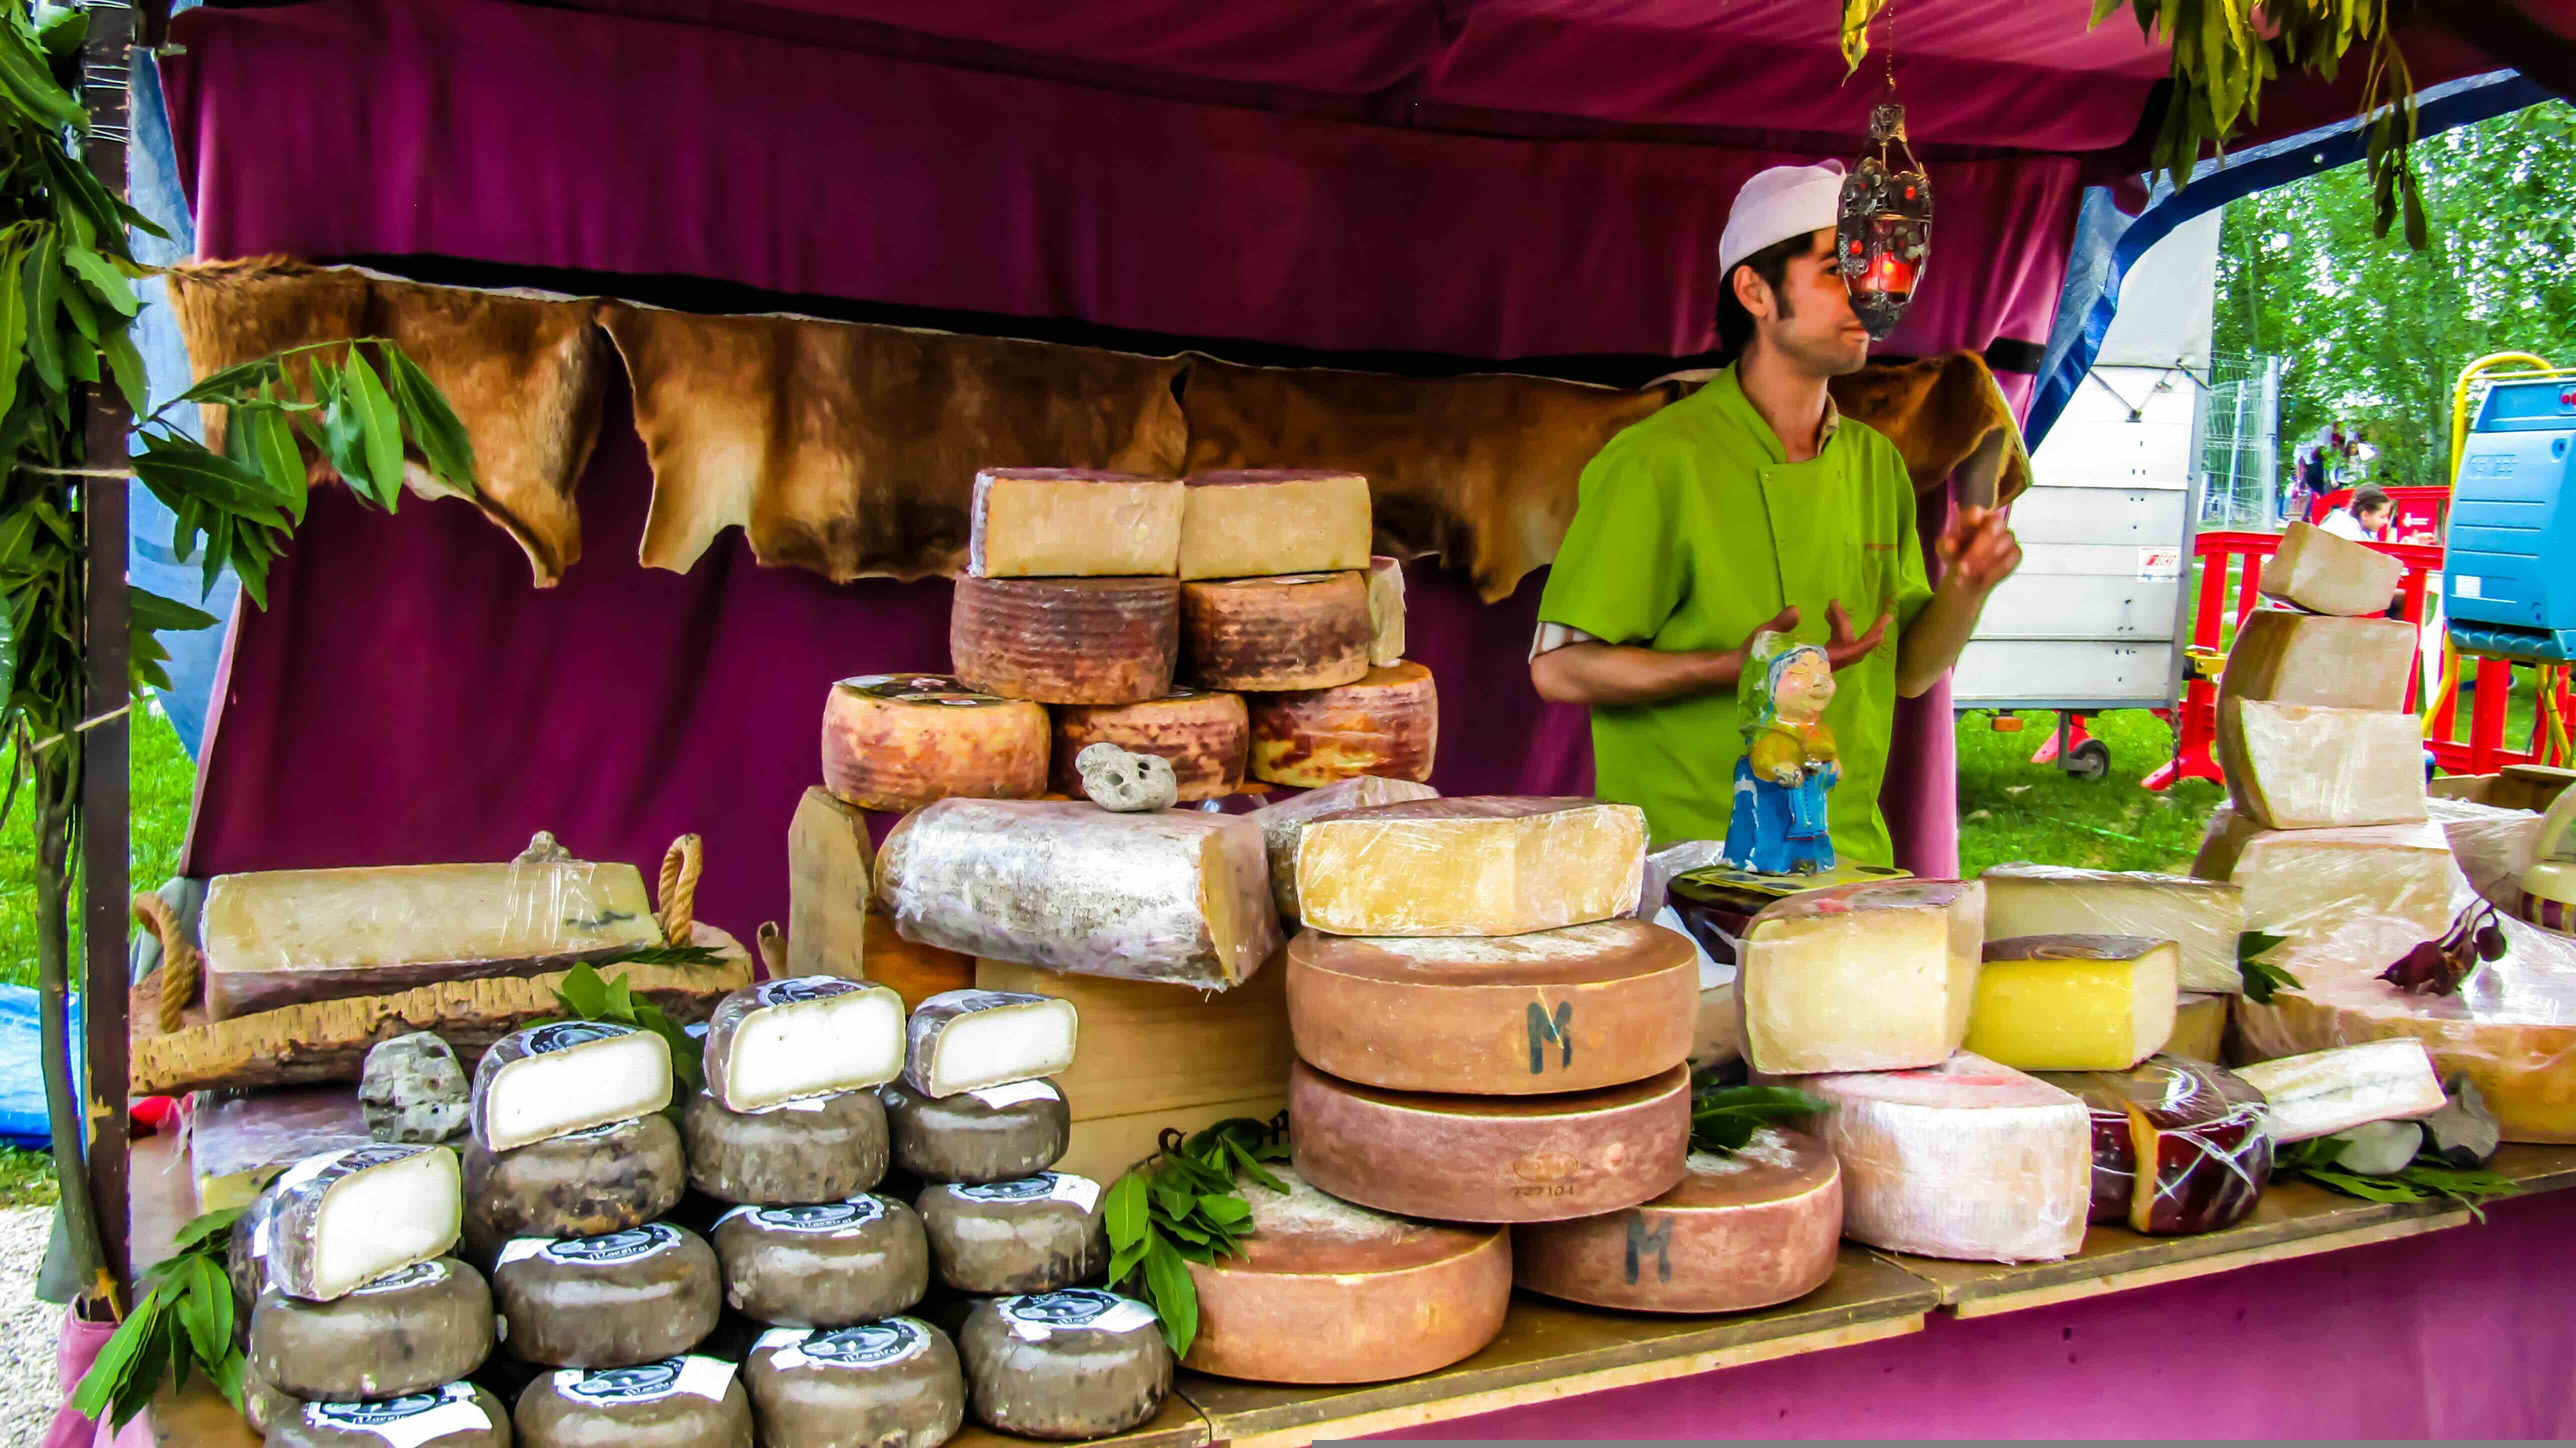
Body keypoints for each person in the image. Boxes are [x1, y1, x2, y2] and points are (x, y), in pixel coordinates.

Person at [1528, 162, 2022, 865]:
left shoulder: (1877, 464)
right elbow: (1560, 670)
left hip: (1846, 860)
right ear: (1755, 291)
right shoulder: (1657, 460)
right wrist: (1731, 666)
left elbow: (1911, 672)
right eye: (1836, 270)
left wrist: (1969, 588)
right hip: (1692, 867)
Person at [2320, 484, 2394, 542]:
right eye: (2382, 517)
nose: (2387, 522)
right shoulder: (2346, 531)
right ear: (2365, 515)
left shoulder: (2364, 528)